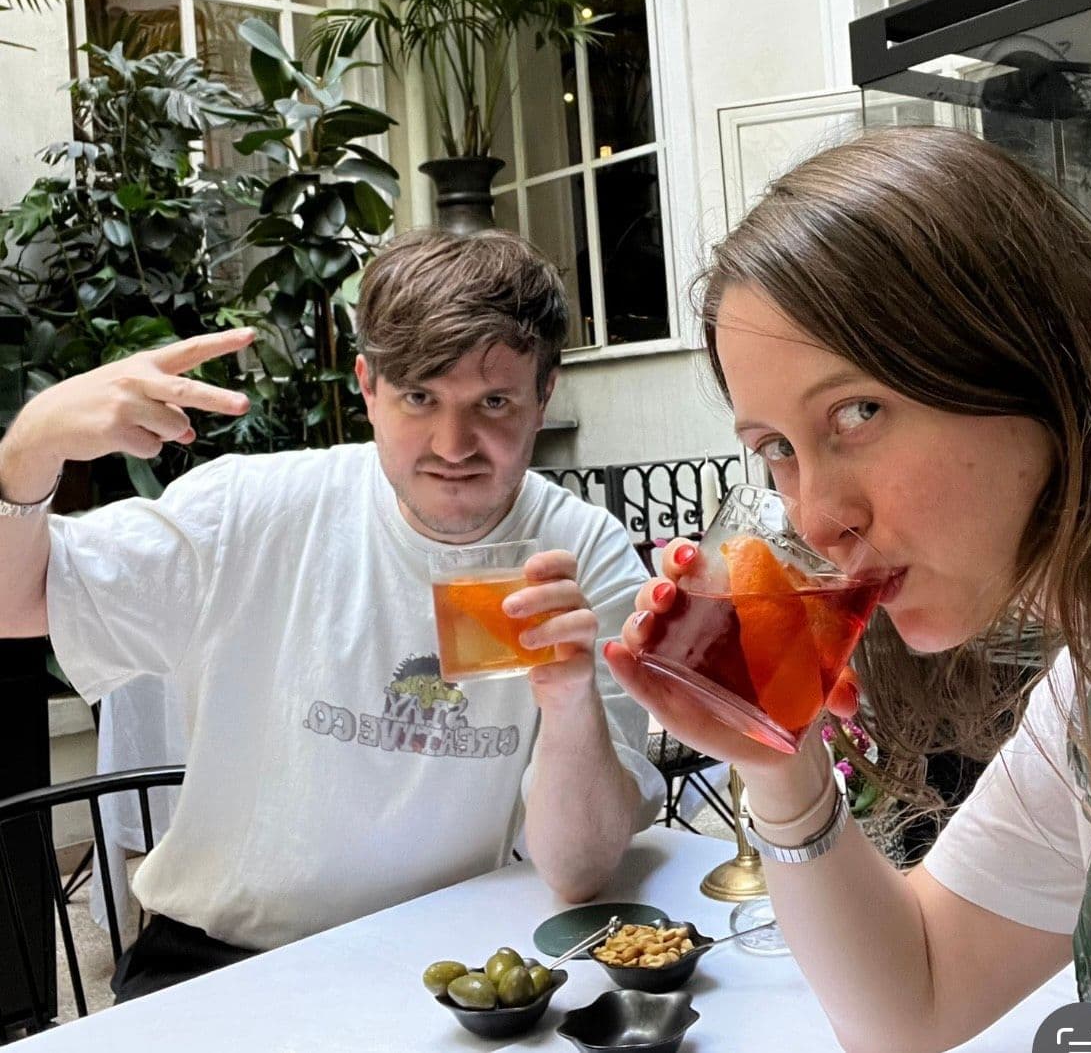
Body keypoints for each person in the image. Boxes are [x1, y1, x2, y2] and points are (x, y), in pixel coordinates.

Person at [606, 127, 1091, 1052]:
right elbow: (914, 1000)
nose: (818, 517)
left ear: (1034, 353)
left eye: (858, 412)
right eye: (777, 449)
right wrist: (782, 769)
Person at [0, 228, 663, 1000]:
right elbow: (18, 602)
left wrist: (570, 701)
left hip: (450, 959)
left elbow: (578, 871)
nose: (454, 446)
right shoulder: (250, 510)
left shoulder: (581, 553)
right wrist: (31, 448)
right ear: (368, 388)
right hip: (221, 960)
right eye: (420, 397)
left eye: (493, 402)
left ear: (544, 395)